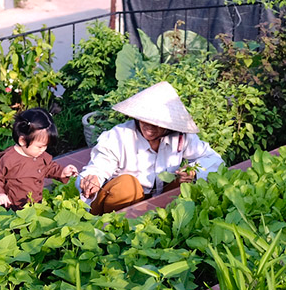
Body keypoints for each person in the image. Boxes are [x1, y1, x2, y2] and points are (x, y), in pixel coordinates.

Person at [79, 81, 223, 215]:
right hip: (115, 205)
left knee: (184, 184)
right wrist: (93, 178)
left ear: (169, 126)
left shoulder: (180, 137)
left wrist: (193, 171)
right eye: (145, 119)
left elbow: (214, 159)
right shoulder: (119, 136)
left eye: (157, 123)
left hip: (156, 200)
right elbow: (99, 166)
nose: (149, 126)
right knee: (127, 185)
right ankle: (113, 231)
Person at [0, 108, 78, 210]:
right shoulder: (10, 159)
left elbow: (48, 167)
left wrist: (63, 172)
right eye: (40, 147)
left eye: (46, 146)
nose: (43, 150)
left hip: (34, 203)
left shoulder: (39, 155)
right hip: (12, 206)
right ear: (22, 141)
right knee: (16, 225)